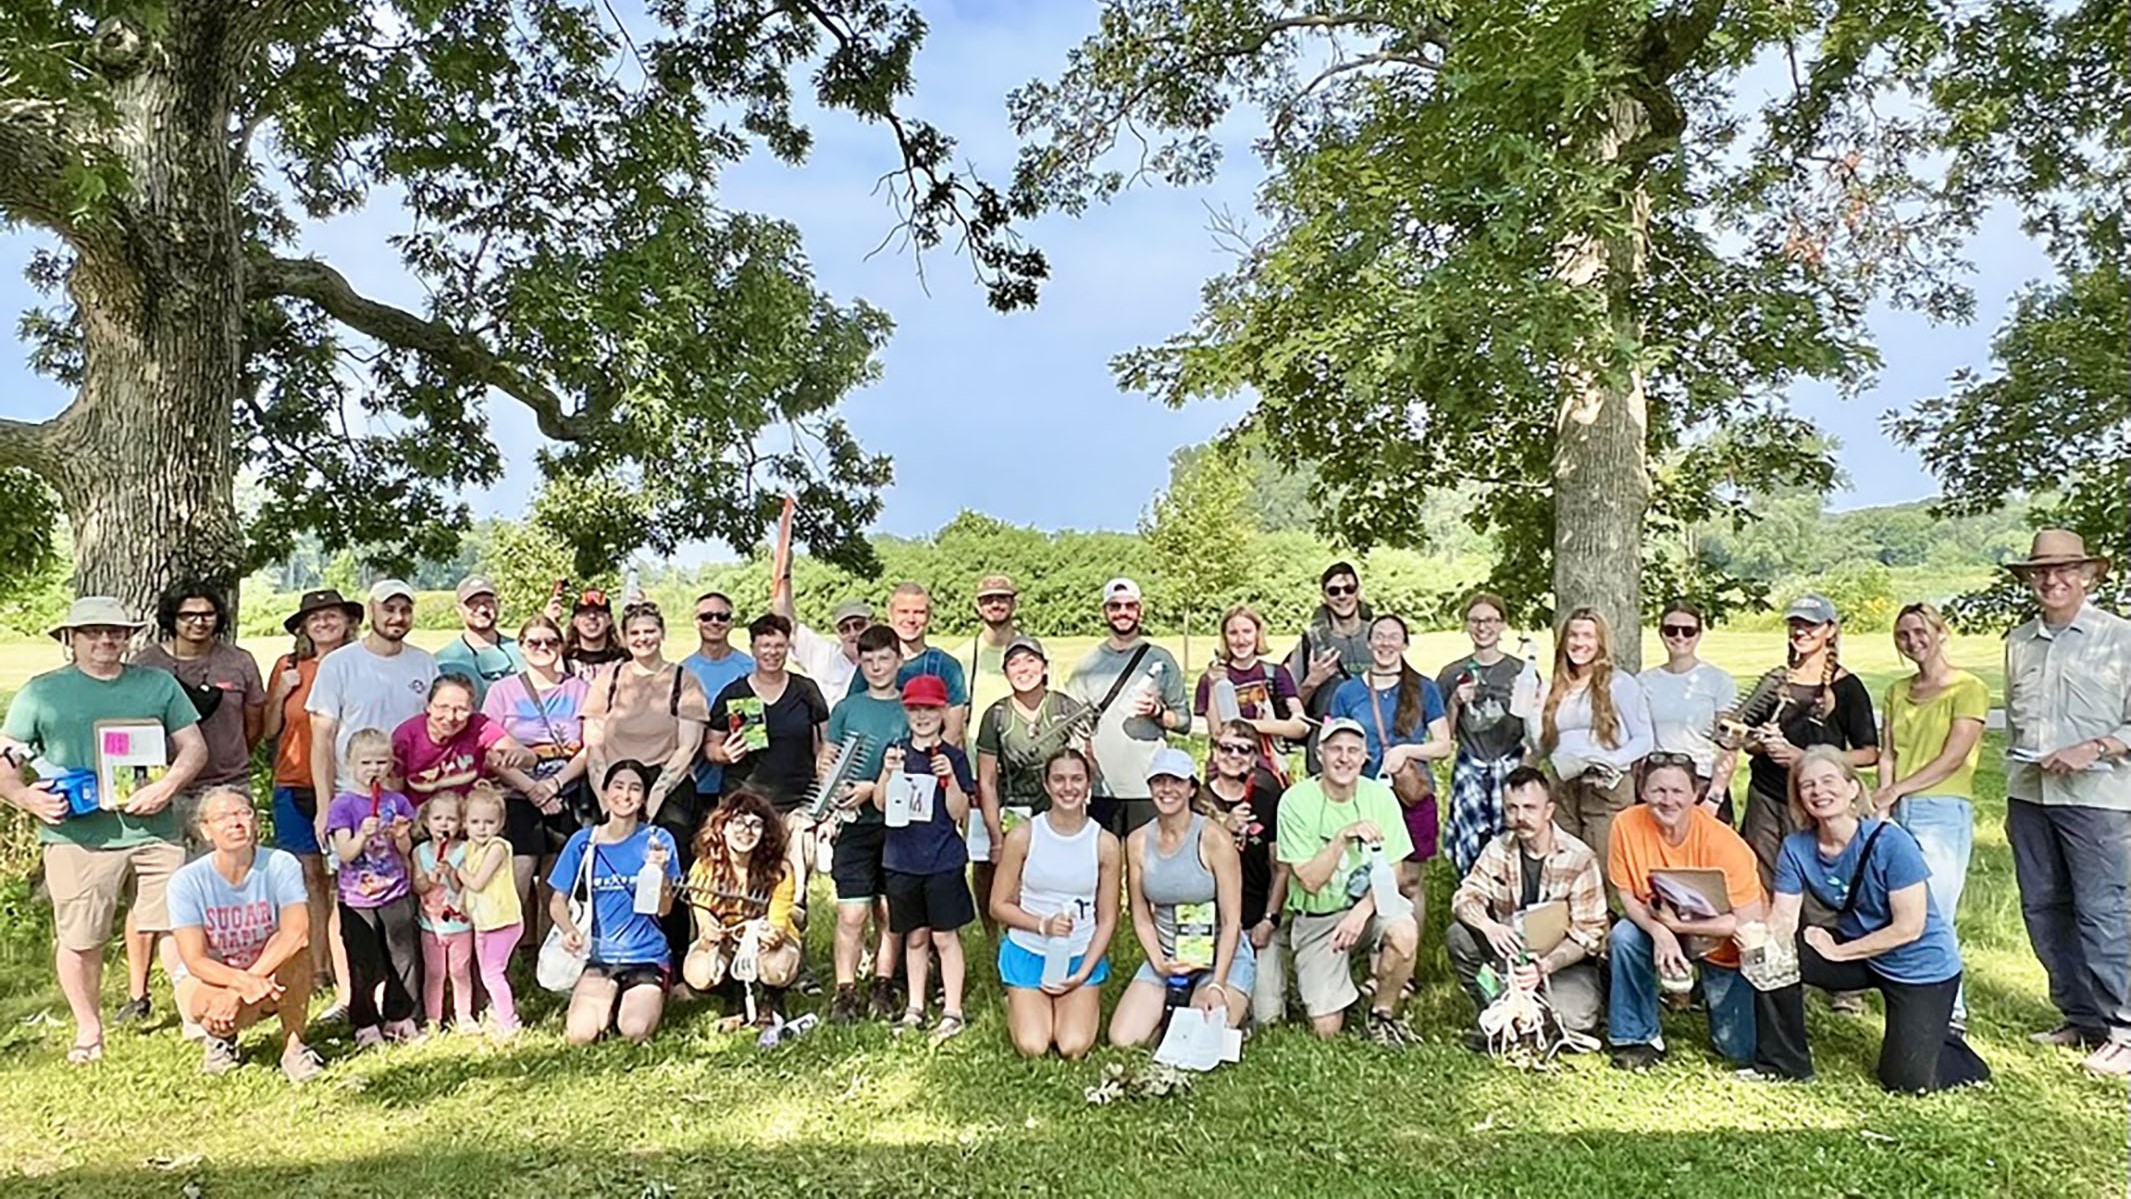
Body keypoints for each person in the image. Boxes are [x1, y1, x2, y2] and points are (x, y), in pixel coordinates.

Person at [0, 595, 207, 1064]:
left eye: (115, 632)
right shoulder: (41, 692)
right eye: (93, 632)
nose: (105, 640)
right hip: (78, 837)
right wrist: (27, 797)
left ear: (129, 637)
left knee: (178, 924)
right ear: (70, 639)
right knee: (81, 936)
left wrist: (168, 785)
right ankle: (89, 1031)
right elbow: (5, 759)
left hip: (155, 829)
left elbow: (193, 748)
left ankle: (196, 1017)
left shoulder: (158, 685)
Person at [1749, 747, 1990, 1091]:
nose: (1819, 791)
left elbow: (1910, 926)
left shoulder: (1891, 841)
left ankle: (1947, 1046)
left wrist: (1838, 953)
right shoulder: (1796, 846)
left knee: (1906, 1083)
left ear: (1852, 789)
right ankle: (1783, 1063)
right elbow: (1784, 919)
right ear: (1798, 797)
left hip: (1916, 964)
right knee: (1773, 955)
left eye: (1829, 781)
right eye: (1808, 785)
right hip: (1861, 953)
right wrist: (1759, 939)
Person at [1999, 530, 2131, 1076]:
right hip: (2029, 795)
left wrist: (2095, 746)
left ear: (2088, 576)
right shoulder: (2018, 642)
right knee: (2044, 908)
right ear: (2030, 579)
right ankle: (2082, 1018)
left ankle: (2125, 1028)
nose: (2052, 580)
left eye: (2065, 571)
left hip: (2098, 800)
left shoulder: (2119, 638)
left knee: (2104, 913)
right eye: (2041, 572)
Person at [122, 579, 266, 1022]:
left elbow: (255, 721)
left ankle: (224, 978)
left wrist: (231, 759)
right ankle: (138, 992)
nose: (199, 622)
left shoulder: (238, 662)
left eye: (207, 614)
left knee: (224, 890)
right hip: (163, 791)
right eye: (188, 615)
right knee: (153, 894)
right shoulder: (147, 664)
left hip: (226, 787)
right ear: (172, 619)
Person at [1605, 755, 1767, 1070]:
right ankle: (1636, 1037)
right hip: (1659, 921)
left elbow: (1750, 919)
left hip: (1723, 939)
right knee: (1624, 935)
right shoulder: (1625, 825)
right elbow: (1627, 895)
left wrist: (1680, 926)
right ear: (1642, 790)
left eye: (1678, 791)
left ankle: (1725, 1002)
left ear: (1695, 794)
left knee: (1739, 1049)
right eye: (1658, 790)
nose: (1668, 800)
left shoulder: (1724, 843)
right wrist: (1661, 932)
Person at [1874, 601, 1987, 1031]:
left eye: (1921, 632)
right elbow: (1887, 753)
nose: (1913, 642)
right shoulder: (1896, 691)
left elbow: (1954, 757)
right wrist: (1885, 803)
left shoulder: (1968, 688)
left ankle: (1952, 1010)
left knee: (1935, 910)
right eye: (1903, 635)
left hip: (1942, 808)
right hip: (1898, 808)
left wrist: (1899, 787)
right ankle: (1910, 995)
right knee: (1899, 907)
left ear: (1941, 633)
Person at [580, 601, 710, 974]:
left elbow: (688, 745)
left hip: (667, 784)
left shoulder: (683, 680)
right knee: (609, 869)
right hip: (614, 780)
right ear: (624, 636)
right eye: (635, 633)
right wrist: (609, 797)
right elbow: (593, 742)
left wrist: (654, 795)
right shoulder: (609, 680)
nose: (643, 639)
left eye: (650, 631)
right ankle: (608, 953)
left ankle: (674, 960)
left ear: (662, 633)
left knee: (667, 871)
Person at [1276, 717, 1421, 1045]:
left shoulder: (1381, 797)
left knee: (1404, 931)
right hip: (1318, 917)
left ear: (1365, 757)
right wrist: (1342, 837)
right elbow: (1310, 881)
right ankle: (1331, 986)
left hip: (1369, 906)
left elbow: (1396, 869)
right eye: (1336, 749)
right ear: (1320, 753)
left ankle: (1382, 1013)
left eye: (1353, 751)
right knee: (1326, 1031)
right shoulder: (1295, 801)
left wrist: (1363, 911)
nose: (1344, 758)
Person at [165, 786, 323, 1083]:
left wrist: (245, 986)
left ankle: (294, 1048)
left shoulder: (281, 864)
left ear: (256, 822)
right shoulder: (186, 882)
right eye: (223, 816)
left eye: (243, 813)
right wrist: (239, 984)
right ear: (206, 830)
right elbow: (195, 959)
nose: (235, 823)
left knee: (297, 955)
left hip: (269, 971)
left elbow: (297, 933)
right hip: (213, 978)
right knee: (213, 1007)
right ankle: (220, 1039)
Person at [1446, 767, 1606, 1048]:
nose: (1521, 817)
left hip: (1562, 961)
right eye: (1512, 808)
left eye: (1530, 808)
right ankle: (1503, 1009)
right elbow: (1465, 897)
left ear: (1549, 810)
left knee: (1575, 1018)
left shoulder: (1579, 858)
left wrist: (1545, 966)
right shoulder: (1497, 849)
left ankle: (1528, 1019)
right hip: (1512, 955)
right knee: (1460, 935)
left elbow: (1590, 933)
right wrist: (1488, 926)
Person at [260, 588, 362, 1014]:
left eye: (332, 615)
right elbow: (267, 730)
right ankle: (317, 965)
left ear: (347, 622)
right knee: (308, 879)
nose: (323, 623)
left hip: (346, 785)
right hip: (294, 781)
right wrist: (282, 694)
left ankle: (349, 967)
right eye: (314, 617)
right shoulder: (288, 666)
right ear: (303, 626)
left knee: (344, 879)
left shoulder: (360, 663)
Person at [1110, 747, 1253, 1046]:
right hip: (1168, 955)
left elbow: (1231, 921)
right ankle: (1171, 1006)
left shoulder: (1214, 838)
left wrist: (1217, 982)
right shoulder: (1137, 841)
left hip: (1217, 959)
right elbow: (1140, 915)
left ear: (1191, 788)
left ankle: (1230, 1003)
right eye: (1159, 781)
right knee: (1122, 1039)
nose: (1167, 789)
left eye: (1176, 781)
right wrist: (1160, 963)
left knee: (1198, 1040)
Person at [990, 748, 1121, 1059]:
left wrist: (1085, 970)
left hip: (1078, 954)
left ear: (1089, 783)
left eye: (1077, 779)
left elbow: (1108, 918)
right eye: (1059, 779)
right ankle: (1022, 997)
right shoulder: (1023, 836)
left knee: (1073, 1045)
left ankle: (1078, 996)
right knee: (1033, 1046)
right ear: (1046, 785)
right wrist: (1042, 925)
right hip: (1029, 949)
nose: (1068, 787)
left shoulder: (1105, 843)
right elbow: (998, 905)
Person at [1739, 594, 1878, 887]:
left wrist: (1806, 758)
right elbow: (1745, 738)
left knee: (1809, 879)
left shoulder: (1846, 687)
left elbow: (1868, 753)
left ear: (1830, 630)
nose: (1801, 632)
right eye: (1795, 625)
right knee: (1759, 876)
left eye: (1810, 625)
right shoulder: (1776, 681)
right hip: (1765, 796)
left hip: (1811, 801)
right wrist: (1762, 743)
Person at [1329, 614, 1452, 933]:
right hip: (1364, 792)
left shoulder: (1424, 688)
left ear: (1405, 644)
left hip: (1410, 794)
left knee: (1409, 881)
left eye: (1393, 637)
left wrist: (1406, 751)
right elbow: (1333, 738)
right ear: (1369, 643)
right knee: (1370, 876)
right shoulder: (1348, 692)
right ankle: (1375, 957)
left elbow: (1442, 745)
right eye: (1379, 636)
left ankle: (1407, 967)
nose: (1385, 643)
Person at [550, 760, 683, 1044]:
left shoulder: (657, 840)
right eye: (618, 787)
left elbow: (665, 909)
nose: (625, 795)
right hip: (598, 955)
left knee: (635, 1029)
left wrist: (660, 873)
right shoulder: (584, 842)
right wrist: (568, 928)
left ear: (644, 797)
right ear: (606, 792)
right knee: (580, 1034)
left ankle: (640, 996)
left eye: (635, 788)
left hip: (645, 954)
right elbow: (557, 901)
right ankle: (607, 1001)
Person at [479, 614, 592, 945]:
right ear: (522, 647)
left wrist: (554, 785)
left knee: (556, 882)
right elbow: (489, 751)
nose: (543, 648)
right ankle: (505, 959)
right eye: (534, 642)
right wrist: (533, 790)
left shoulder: (579, 690)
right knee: (517, 877)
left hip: (567, 793)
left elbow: (590, 746)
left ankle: (550, 953)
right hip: (517, 797)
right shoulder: (502, 691)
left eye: (551, 642)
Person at [876, 676, 979, 1041]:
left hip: (941, 859)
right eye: (915, 709)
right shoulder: (897, 752)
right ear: (906, 711)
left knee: (945, 936)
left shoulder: (953, 757)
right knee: (914, 937)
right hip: (902, 859)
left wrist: (949, 780)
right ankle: (915, 1007)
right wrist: (889, 773)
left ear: (942, 712)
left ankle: (952, 1009)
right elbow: (881, 803)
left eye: (930, 709)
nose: (922, 716)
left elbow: (958, 811)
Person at [974, 635, 1093, 940]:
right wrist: (996, 837)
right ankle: (1000, 946)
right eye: (1014, 663)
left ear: (1044, 668)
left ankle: (1068, 936)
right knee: (1007, 887)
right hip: (1013, 811)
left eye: (1030, 661)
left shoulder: (1067, 708)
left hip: (1058, 815)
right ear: (1005, 672)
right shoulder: (996, 715)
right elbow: (986, 780)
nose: (1023, 669)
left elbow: (1084, 766)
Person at [306, 579, 439, 840]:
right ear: (371, 611)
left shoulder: (425, 663)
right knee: (357, 877)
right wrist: (325, 807)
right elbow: (322, 739)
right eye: (389, 609)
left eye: (405, 610)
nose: (398, 617)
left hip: (411, 796)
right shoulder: (339, 664)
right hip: (354, 794)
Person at [823, 624, 908, 1023]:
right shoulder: (847, 708)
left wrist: (874, 785)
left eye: (884, 658)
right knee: (852, 913)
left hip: (898, 826)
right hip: (855, 825)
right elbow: (830, 761)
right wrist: (836, 785)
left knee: (889, 912)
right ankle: (845, 989)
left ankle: (883, 982)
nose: (876, 667)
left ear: (898, 659)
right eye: (868, 659)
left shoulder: (910, 709)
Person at [1533, 607, 1653, 885]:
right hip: (1563, 783)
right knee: (1564, 866)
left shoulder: (1619, 683)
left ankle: (1603, 925)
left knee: (1600, 870)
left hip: (1604, 785)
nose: (1579, 642)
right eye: (1573, 635)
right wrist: (1530, 710)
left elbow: (1644, 739)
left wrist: (1610, 761)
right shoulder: (1555, 687)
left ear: (1600, 642)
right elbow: (1541, 744)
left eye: (1588, 635)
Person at [706, 614, 831, 874]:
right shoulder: (735, 693)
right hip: (746, 801)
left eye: (779, 646)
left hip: (798, 802)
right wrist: (724, 753)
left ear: (787, 648)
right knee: (748, 877)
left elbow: (825, 745)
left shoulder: (806, 690)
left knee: (793, 884)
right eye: (765, 646)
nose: (772, 653)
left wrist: (827, 795)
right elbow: (710, 746)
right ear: (753, 648)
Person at [1064, 577, 1187, 834]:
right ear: (1105, 612)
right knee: (1104, 867)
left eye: (1130, 606)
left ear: (1140, 611)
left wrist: (1158, 713)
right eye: (1115, 606)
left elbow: (1183, 721)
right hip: (1102, 788)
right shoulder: (1088, 665)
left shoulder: (1161, 660)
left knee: (1145, 868)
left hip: (1149, 785)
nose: (1123, 612)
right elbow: (1074, 730)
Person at [324, 728, 422, 1047]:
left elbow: (407, 850)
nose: (374, 769)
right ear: (350, 763)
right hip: (357, 899)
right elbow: (345, 854)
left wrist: (400, 835)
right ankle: (365, 1021)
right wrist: (362, 835)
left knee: (402, 956)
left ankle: (400, 1016)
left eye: (381, 761)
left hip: (395, 891)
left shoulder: (398, 802)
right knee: (363, 961)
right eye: (366, 762)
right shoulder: (343, 805)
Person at [684, 791, 803, 1027]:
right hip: (727, 941)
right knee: (698, 972)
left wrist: (770, 934)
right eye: (738, 822)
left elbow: (778, 923)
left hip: (765, 943)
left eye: (755, 825)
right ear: (723, 827)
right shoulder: (704, 867)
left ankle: (771, 998)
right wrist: (710, 934)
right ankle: (733, 995)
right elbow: (703, 916)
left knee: (776, 967)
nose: (746, 831)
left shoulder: (780, 870)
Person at [1202, 717, 1289, 1026]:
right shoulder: (1196, 802)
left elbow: (1280, 869)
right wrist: (1223, 830)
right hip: (1208, 922)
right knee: (1213, 1009)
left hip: (1256, 922)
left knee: (1268, 1017)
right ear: (1214, 752)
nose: (1234, 755)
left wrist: (1270, 919)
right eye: (1226, 748)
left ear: (1254, 758)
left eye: (1244, 750)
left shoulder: (1269, 800)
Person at [1437, 593, 1530, 877]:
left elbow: (1535, 731)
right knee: (1471, 847)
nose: (1482, 627)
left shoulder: (1520, 671)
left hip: (1510, 764)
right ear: (1467, 626)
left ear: (1503, 625)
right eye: (1475, 621)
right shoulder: (1451, 673)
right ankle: (1472, 904)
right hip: (1470, 766)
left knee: (1515, 843)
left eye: (1490, 620)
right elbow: (1444, 737)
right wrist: (1454, 702)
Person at [1639, 601, 1739, 820]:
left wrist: (1715, 796)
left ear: (1699, 634)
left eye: (1688, 630)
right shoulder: (1644, 682)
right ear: (1661, 633)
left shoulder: (1718, 681)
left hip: (1702, 781)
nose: (1679, 636)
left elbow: (1728, 745)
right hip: (1659, 784)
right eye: (1671, 630)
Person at [1193, 604, 1308, 779]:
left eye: (1247, 631)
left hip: (1269, 769)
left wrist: (1248, 726)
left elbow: (1300, 726)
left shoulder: (1275, 674)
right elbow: (1217, 732)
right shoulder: (1211, 678)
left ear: (1257, 634)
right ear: (1225, 637)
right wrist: (1214, 685)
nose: (1241, 640)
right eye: (1233, 633)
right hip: (1226, 772)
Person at [391, 675, 537, 804]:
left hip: (468, 816)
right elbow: (393, 791)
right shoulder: (406, 737)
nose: (450, 717)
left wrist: (520, 754)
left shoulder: (478, 727)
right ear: (428, 707)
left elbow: (528, 757)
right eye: (442, 707)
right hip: (422, 818)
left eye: (461, 709)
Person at [1285, 562, 1373, 775]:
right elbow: (1288, 707)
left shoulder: (1378, 637)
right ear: (1325, 596)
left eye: (1349, 589)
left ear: (1358, 591)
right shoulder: (1312, 642)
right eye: (1334, 591)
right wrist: (1313, 681)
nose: (1342, 596)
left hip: (1372, 747)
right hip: (1326, 749)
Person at [861, 583, 970, 745]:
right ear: (890, 614)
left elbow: (953, 731)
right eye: (903, 612)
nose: (910, 619)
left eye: (918, 612)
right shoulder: (871, 664)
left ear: (929, 616)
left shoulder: (946, 666)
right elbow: (855, 715)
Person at [457, 783, 525, 1036]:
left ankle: (509, 1022)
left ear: (499, 824)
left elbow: (476, 881)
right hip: (484, 921)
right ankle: (499, 1012)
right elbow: (469, 888)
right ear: (465, 823)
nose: (482, 828)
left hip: (503, 920)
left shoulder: (497, 847)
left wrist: (458, 872)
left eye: (488, 822)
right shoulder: (471, 848)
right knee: (488, 973)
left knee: (492, 973)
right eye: (475, 822)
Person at [681, 591, 754, 808]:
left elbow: (754, 731)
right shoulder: (683, 671)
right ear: (696, 622)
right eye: (706, 617)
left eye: (722, 617)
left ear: (731, 622)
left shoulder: (751, 669)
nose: (714, 622)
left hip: (741, 782)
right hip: (695, 781)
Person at [410, 792, 474, 1030]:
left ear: (461, 824)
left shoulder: (466, 850)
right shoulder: (420, 852)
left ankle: (464, 1016)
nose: (444, 824)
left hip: (460, 925)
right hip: (431, 925)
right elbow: (418, 887)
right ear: (427, 822)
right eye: (438, 818)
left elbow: (463, 888)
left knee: (460, 971)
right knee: (435, 972)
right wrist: (429, 879)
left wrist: (450, 874)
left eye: (451, 819)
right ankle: (433, 1018)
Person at [434, 575, 525, 708]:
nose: (482, 609)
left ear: (498, 605)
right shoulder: (443, 662)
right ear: (459, 610)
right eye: (473, 603)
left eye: (488, 602)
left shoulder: (523, 652)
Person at [964, 573, 1024, 737]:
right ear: (978, 606)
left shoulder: (1038, 655)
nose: (995, 604)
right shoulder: (963, 658)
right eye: (988, 599)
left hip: (1027, 756)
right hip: (974, 755)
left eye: (1002, 598)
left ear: (1014, 604)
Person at [782, 595, 871, 700]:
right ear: (837, 632)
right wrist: (784, 580)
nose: (853, 633)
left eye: (859, 625)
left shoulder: (888, 657)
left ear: (871, 624)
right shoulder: (824, 655)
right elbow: (787, 626)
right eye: (844, 629)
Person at [558, 588, 629, 677]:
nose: (592, 616)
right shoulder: (562, 661)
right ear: (574, 621)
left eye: (599, 611)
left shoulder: (625, 660)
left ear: (609, 620)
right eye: (584, 612)